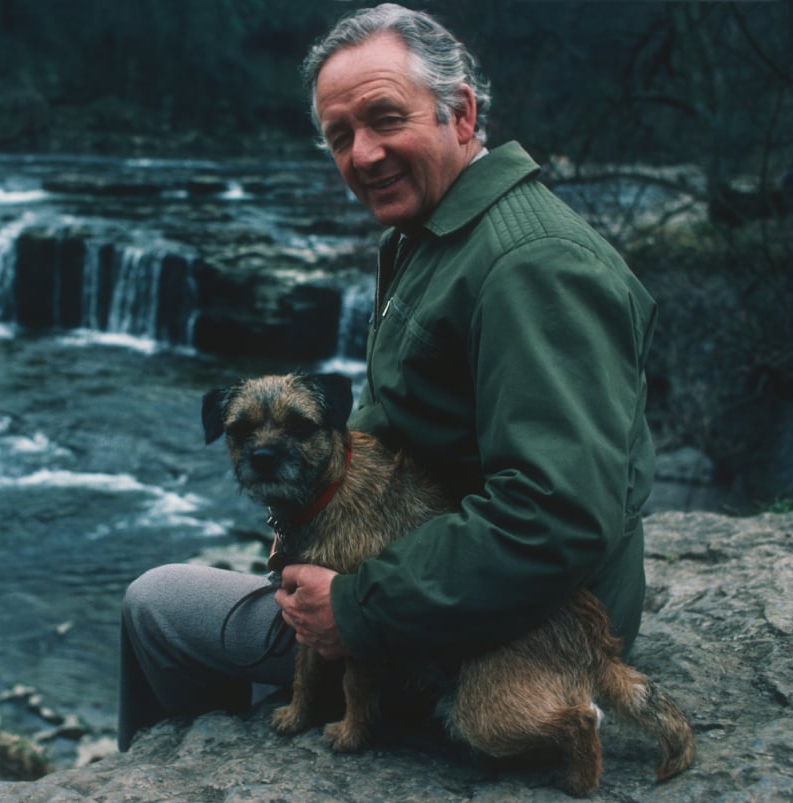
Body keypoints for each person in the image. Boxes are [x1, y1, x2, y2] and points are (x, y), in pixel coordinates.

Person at [118, 2, 655, 752]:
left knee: (155, 602)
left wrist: (359, 604)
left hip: (498, 638)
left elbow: (557, 512)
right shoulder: (438, 235)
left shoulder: (532, 266)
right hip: (444, 593)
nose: (362, 154)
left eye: (383, 118)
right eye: (340, 136)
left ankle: (180, 766)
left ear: (460, 112)